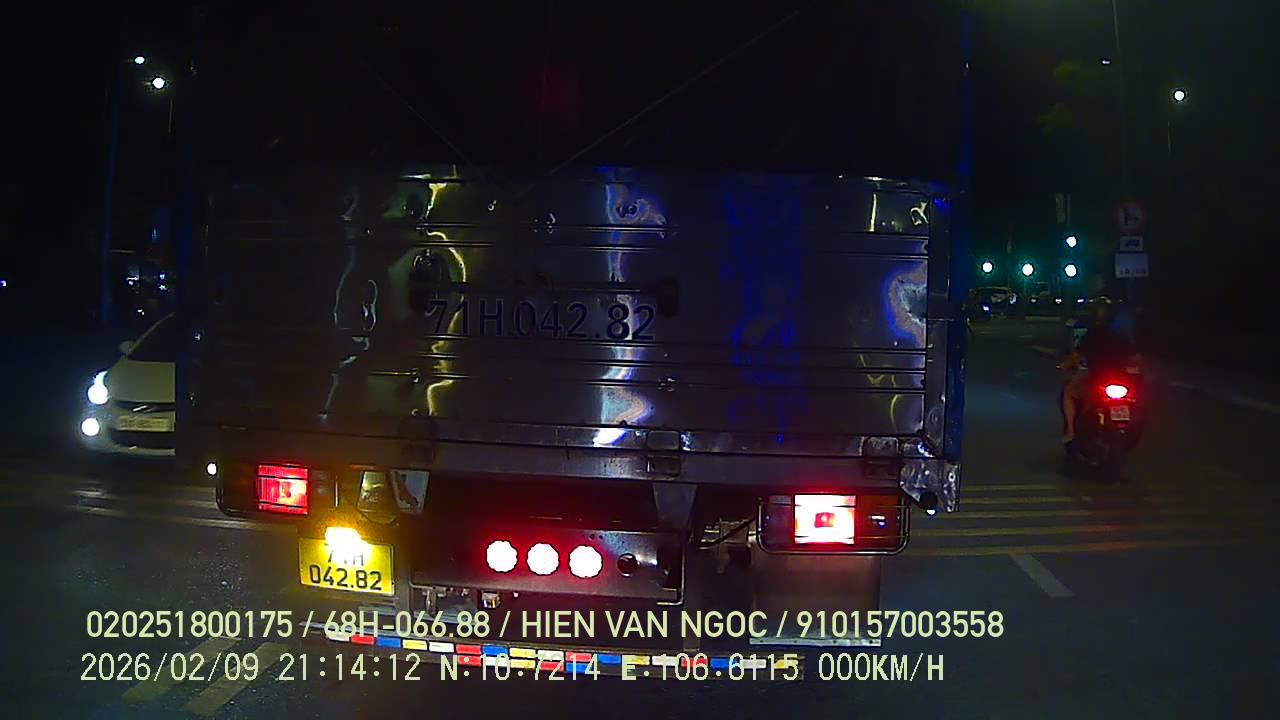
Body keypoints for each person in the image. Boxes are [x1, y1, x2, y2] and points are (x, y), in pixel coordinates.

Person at [1058, 301, 1135, 444]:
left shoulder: (1091, 335)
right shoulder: (1121, 336)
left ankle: (1071, 432)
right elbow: (1134, 358)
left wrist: (1065, 365)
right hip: (1120, 378)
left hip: (1096, 377)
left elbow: (1077, 355)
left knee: (1068, 391)